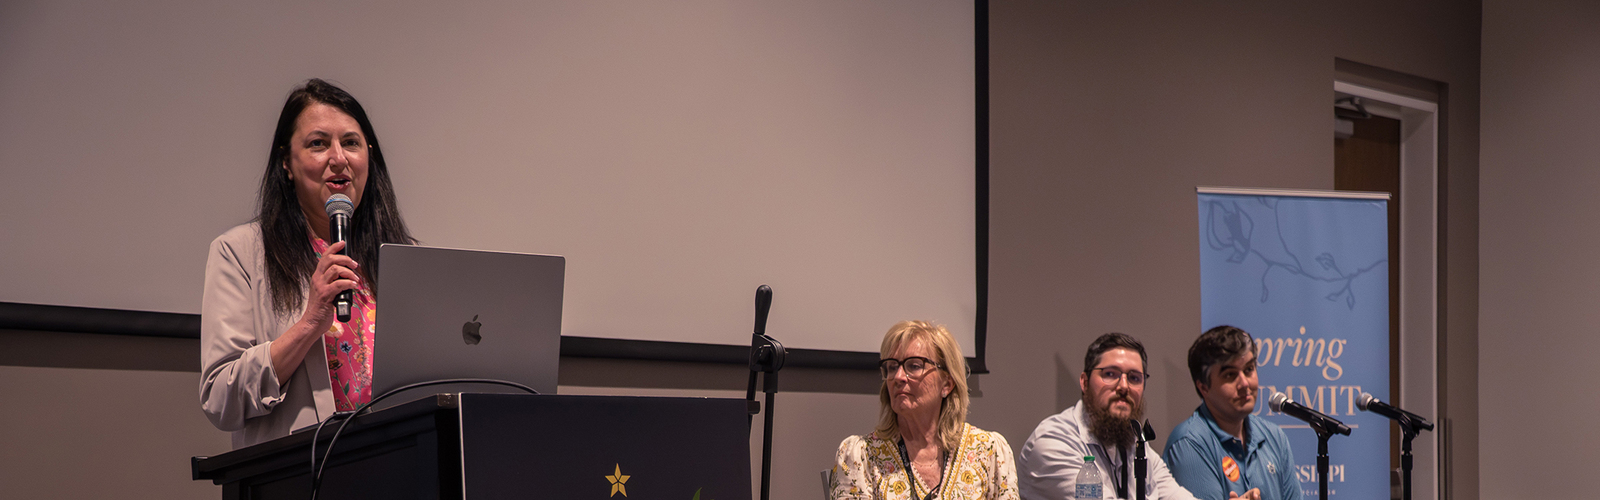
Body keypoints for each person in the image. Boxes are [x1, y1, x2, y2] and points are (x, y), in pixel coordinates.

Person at [199, 79, 416, 448]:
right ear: (287, 162)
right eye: (318, 144)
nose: (338, 158)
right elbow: (221, 398)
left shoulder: (402, 259)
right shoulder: (240, 252)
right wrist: (310, 323)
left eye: (350, 143)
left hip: (399, 461)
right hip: (303, 474)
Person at [829, 321, 1019, 500]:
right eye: (892, 367)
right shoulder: (862, 456)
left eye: (914, 366)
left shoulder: (988, 450)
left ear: (946, 383)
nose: (899, 377)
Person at [1018, 333, 1199, 500]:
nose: (1123, 386)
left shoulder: (1136, 447)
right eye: (1110, 374)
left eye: (1134, 378)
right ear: (1085, 382)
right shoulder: (1054, 442)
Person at [1162, 326, 1300, 500]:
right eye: (1230, 375)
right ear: (1203, 387)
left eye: (1249, 369)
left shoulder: (1274, 437)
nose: (1244, 383)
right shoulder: (1189, 444)